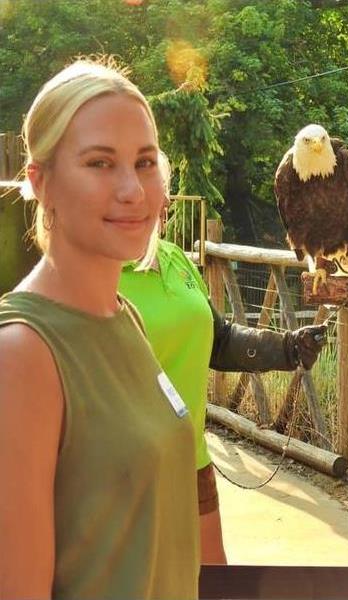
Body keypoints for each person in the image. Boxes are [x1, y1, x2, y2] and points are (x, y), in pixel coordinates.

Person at [0, 59, 200, 599]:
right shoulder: (22, 353)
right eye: (100, 163)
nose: (133, 189)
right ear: (41, 183)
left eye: (144, 161)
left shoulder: (122, 315)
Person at [119, 151, 328, 564]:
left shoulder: (175, 260)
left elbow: (219, 339)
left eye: (161, 190)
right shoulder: (94, 272)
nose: (158, 202)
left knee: (214, 585)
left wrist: (287, 348)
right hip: (122, 476)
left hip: (191, 462)